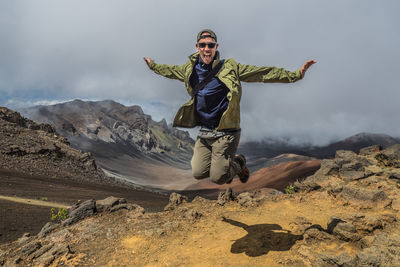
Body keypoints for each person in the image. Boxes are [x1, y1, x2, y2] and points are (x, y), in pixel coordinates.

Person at [144, 29, 315, 185]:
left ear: (216, 47)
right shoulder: (189, 69)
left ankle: (239, 163)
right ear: (197, 47)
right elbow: (170, 70)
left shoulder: (230, 67)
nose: (206, 49)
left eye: (210, 45)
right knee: (198, 173)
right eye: (202, 45)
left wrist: (296, 75)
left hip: (227, 132)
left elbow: (262, 73)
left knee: (219, 177)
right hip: (205, 132)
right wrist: (153, 66)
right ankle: (229, 163)